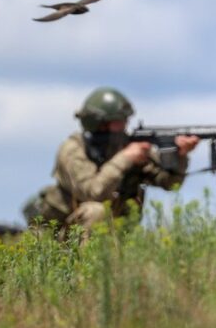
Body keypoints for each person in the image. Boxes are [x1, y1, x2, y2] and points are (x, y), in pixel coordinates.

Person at [23, 87, 199, 232]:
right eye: (119, 121)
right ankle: (86, 275)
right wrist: (125, 159)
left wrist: (180, 156)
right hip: (60, 238)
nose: (125, 125)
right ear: (101, 123)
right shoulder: (73, 150)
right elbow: (93, 192)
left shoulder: (125, 146)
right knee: (96, 211)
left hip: (113, 235)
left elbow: (169, 183)